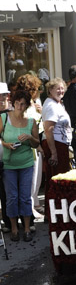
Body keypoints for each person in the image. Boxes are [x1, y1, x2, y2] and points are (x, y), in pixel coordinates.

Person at [0, 90, 39, 242]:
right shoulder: (4, 118)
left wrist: (29, 137)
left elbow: (36, 143)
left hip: (26, 163)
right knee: (11, 197)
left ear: (27, 105)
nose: (19, 106)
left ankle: (27, 228)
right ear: (13, 102)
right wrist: (5, 144)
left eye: (23, 104)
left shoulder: (31, 121)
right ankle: (14, 229)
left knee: (25, 197)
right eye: (17, 103)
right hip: (9, 164)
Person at [16, 74, 44, 226]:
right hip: (29, 143)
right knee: (31, 178)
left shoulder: (32, 102)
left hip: (35, 139)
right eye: (36, 88)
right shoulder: (24, 103)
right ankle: (30, 208)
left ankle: (34, 203)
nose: (37, 91)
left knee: (36, 176)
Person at [41, 78, 72, 198]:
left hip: (61, 144)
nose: (61, 91)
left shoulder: (57, 103)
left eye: (62, 88)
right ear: (50, 90)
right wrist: (54, 153)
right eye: (57, 88)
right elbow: (49, 130)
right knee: (57, 180)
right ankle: (54, 212)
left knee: (60, 179)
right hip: (55, 145)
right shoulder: (51, 106)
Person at [0, 82, 12, 233]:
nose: (2, 99)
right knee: (3, 191)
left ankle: (21, 220)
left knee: (14, 191)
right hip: (1, 157)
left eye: (4, 95)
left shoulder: (13, 112)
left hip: (13, 157)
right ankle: (8, 222)